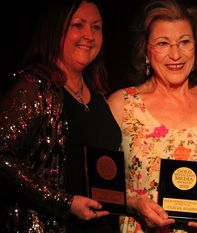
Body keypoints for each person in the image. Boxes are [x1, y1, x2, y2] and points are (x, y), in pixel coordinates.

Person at [108, 0, 197, 232]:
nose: (175, 54)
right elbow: (101, 188)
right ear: (146, 50)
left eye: (184, 42)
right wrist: (136, 204)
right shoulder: (122, 105)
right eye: (163, 43)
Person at [0, 0, 121, 232]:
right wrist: (64, 203)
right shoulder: (34, 86)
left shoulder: (98, 95)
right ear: (55, 31)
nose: (89, 35)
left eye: (96, 27)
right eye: (78, 25)